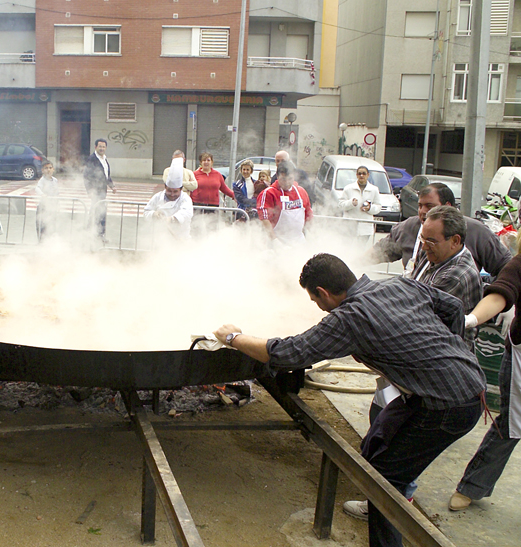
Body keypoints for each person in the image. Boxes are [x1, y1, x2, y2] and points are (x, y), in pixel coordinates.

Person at [214, 253, 485, 547]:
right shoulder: (400, 286)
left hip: (449, 406)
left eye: (315, 301)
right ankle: (380, 481)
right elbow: (454, 307)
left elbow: (285, 353)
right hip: (463, 382)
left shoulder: (349, 318)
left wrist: (233, 338)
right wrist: (445, 351)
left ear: (323, 293)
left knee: (383, 482)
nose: (318, 307)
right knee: (375, 441)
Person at [342, 205, 482, 520]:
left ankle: (394, 502)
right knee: (381, 427)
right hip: (416, 374)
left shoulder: (458, 275)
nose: (424, 247)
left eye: (431, 241)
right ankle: (384, 494)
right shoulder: (432, 257)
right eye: (422, 239)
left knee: (400, 457)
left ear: (455, 241)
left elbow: (417, 319)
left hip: (439, 381)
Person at [447, 234, 521, 512]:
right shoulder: (519, 265)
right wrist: (471, 319)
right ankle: (473, 485)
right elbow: (502, 292)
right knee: (513, 423)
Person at [371, 183, 511, 278]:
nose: (423, 211)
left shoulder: (476, 231)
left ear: (447, 206)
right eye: (420, 206)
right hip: (413, 307)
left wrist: (498, 298)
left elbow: (506, 267)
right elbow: (378, 253)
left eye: (429, 206)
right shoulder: (407, 228)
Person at [257, 160, 313, 245]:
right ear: (277, 176)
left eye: (290, 179)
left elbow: (308, 214)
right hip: (277, 242)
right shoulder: (269, 193)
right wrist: (274, 241)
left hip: (299, 241)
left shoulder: (301, 192)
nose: (287, 183)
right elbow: (265, 219)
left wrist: (310, 233)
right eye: (283, 179)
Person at [143, 157, 193, 240]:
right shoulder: (158, 197)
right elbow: (146, 212)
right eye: (169, 190)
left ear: (181, 189)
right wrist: (154, 214)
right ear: (165, 187)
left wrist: (171, 219)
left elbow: (185, 214)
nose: (172, 194)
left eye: (175, 191)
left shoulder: (185, 199)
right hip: (159, 239)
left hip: (181, 238)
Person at [83, 138, 116, 242]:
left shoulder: (104, 159)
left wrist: (112, 186)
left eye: (103, 147)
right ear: (95, 147)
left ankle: (98, 234)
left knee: (100, 212)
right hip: (95, 191)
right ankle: (91, 233)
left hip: (103, 191)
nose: (102, 148)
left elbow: (106, 175)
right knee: (96, 212)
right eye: (100, 146)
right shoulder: (92, 159)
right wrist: (89, 191)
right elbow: (86, 176)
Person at [339, 165, 381, 244]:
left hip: (365, 228)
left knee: (360, 249)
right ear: (356, 175)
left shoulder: (374, 189)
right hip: (349, 227)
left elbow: (378, 207)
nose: (361, 175)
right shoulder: (348, 188)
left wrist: (369, 208)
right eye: (359, 173)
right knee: (347, 248)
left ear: (368, 175)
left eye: (364, 173)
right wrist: (351, 203)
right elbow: (341, 204)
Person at [35, 160, 59, 241]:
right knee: (42, 225)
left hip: (52, 206)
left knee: (52, 224)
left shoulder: (55, 180)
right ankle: (42, 241)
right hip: (43, 206)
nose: (48, 170)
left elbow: (56, 191)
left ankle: (50, 241)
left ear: (53, 169)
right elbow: (37, 188)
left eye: (50, 168)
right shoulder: (42, 180)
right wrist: (42, 195)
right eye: (46, 168)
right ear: (42, 170)